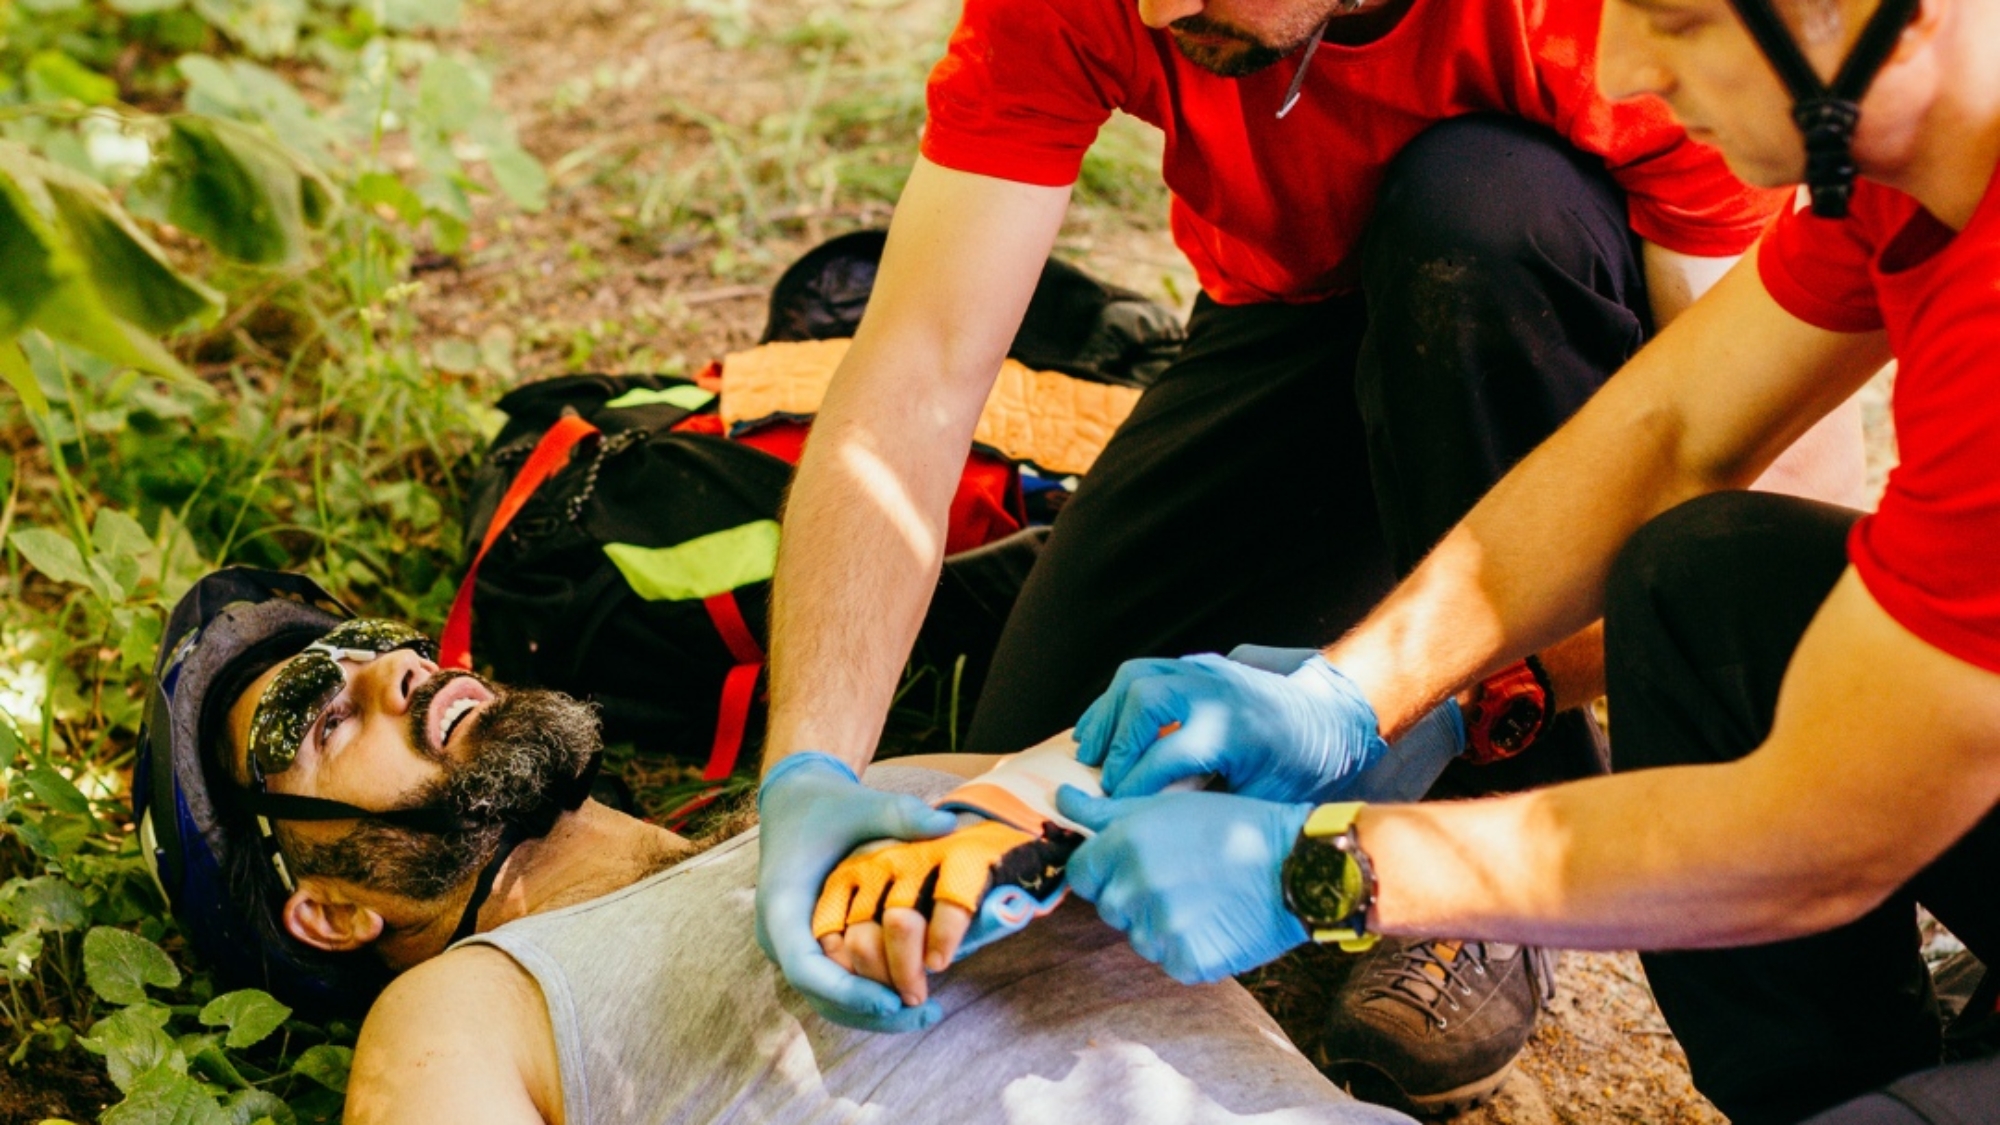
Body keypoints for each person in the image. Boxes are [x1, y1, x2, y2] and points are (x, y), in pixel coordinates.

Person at [752, 0, 1868, 1107]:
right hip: (1294, 320)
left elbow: (1755, 542)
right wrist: (806, 767)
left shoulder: (1633, 34)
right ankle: (1339, 571)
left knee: (1476, 205)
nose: (1160, 7)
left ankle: (1483, 847)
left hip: (1539, 312)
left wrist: (1454, 711)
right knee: (1028, 798)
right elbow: (918, 366)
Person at [1025, 0, 2000, 1120]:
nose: (1624, 68)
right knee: (1702, 579)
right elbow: (1671, 427)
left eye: (1675, 20)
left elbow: (1818, 837)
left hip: (1836, 829)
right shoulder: (1898, 162)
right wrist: (1354, 695)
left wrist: (1326, 865)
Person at [132, 567, 1419, 1125]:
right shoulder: (453, 1014)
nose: (391, 672)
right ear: (327, 908)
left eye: (371, 641)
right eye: (310, 713)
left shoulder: (902, 784)